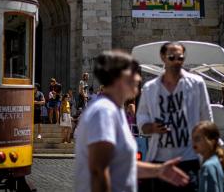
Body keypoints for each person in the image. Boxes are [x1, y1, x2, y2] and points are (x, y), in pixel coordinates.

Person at [74, 50, 190, 192]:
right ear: (119, 76)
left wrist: (159, 170)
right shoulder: (103, 112)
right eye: (134, 72)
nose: (138, 78)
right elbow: (99, 170)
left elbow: (122, 166)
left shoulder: (115, 110)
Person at [137, 41, 213, 192]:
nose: (177, 62)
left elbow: (206, 118)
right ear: (163, 58)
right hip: (159, 160)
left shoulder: (196, 84)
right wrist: (152, 127)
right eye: (172, 58)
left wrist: (209, 152)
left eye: (181, 58)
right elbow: (142, 121)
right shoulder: (150, 88)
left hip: (189, 158)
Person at [192, 121, 224, 192]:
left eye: (197, 139)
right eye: (193, 139)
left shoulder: (208, 167)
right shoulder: (216, 161)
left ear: (212, 141)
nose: (194, 144)